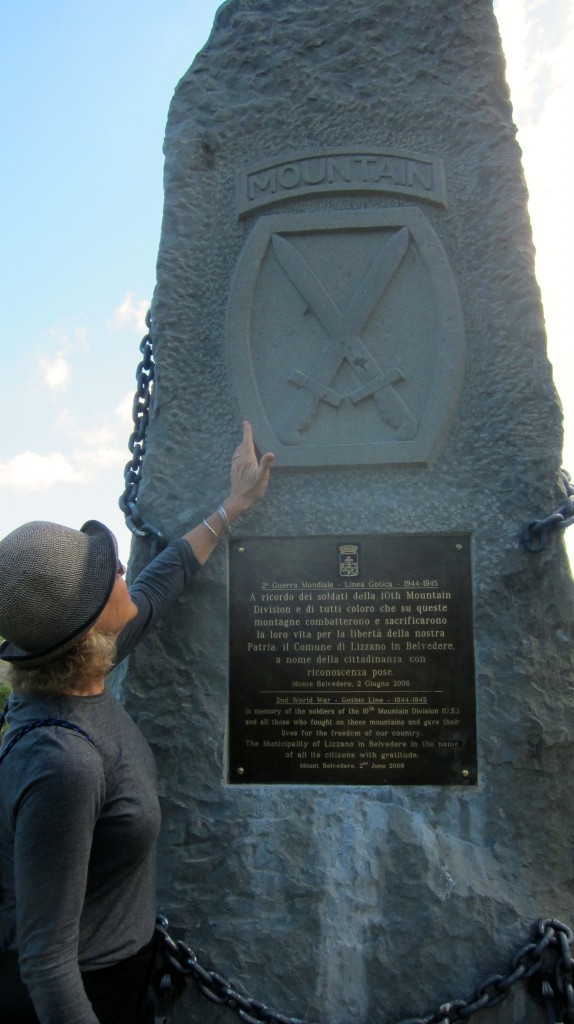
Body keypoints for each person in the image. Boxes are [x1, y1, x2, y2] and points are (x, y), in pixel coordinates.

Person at [0, 421, 274, 1024]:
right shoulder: (61, 762)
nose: (123, 572)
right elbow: (45, 959)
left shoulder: (82, 667)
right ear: (88, 624)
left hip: (124, 968)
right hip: (90, 992)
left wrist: (234, 505)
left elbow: (162, 578)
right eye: (109, 578)